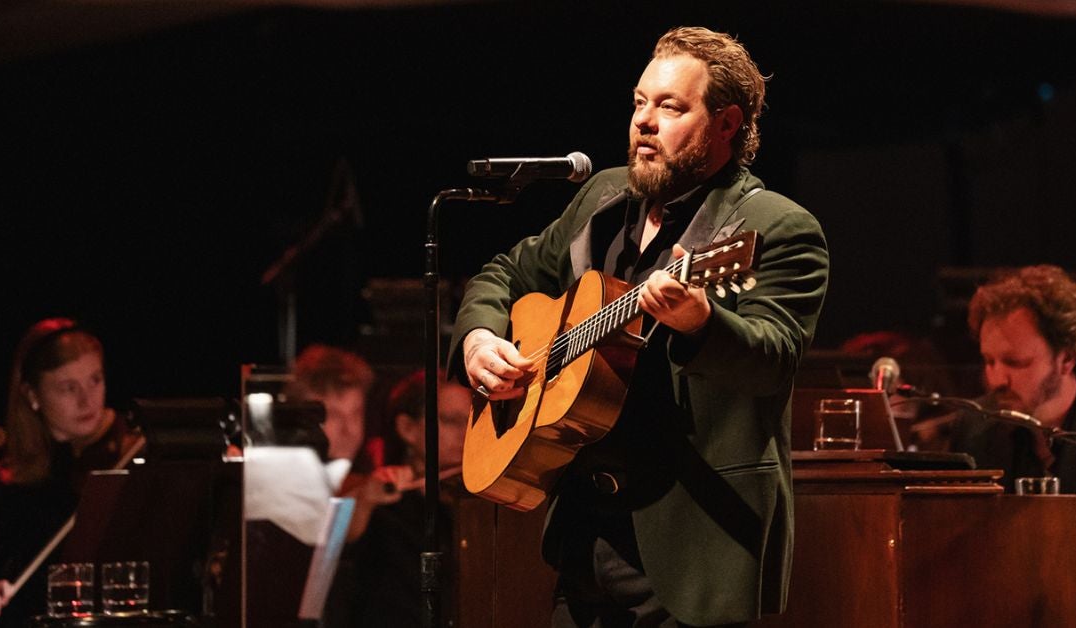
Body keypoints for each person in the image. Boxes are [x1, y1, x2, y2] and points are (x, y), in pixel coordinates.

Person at [449, 27, 829, 627]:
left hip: (695, 548)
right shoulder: (602, 197)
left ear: (726, 124)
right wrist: (478, 340)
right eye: (639, 103)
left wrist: (700, 321)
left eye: (671, 106)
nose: (644, 122)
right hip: (582, 542)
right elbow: (505, 274)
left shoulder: (776, 226)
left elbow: (774, 359)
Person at [0, 318, 142, 626]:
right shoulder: (0, 484)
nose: (88, 400)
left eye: (95, 380)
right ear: (32, 395)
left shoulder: (130, 455)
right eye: (69, 387)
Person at [948, 265, 1076, 535]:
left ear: (1067, 358)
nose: (997, 379)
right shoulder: (973, 428)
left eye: (1015, 362)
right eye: (989, 361)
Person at [338, 369, 470, 626]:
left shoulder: (478, 505)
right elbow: (334, 546)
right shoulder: (380, 499)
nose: (466, 433)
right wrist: (365, 500)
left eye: (471, 421)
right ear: (407, 428)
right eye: (451, 420)